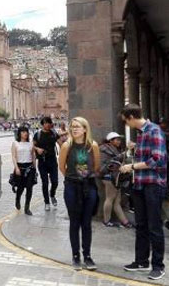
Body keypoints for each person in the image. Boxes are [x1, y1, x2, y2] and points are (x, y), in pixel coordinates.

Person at [119, 104, 167, 280]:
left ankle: (158, 266)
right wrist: (135, 149)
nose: (126, 123)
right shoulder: (141, 134)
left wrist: (131, 166)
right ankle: (141, 261)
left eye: (126, 120)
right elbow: (146, 155)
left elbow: (157, 159)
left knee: (154, 226)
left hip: (153, 185)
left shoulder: (154, 131)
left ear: (131, 116)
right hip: (139, 184)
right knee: (141, 225)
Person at [58, 116, 100, 271]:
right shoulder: (66, 146)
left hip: (89, 186)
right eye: (72, 126)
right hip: (72, 186)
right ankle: (76, 256)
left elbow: (96, 166)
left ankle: (87, 255)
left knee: (87, 223)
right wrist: (73, 179)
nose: (74, 129)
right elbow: (61, 166)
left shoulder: (93, 146)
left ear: (85, 129)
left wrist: (85, 178)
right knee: (74, 222)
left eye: (78, 126)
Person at [99, 132, 133, 228]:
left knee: (117, 201)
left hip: (116, 177)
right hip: (109, 177)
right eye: (117, 139)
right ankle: (106, 221)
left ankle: (125, 222)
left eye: (119, 139)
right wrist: (127, 151)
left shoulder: (112, 149)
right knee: (110, 199)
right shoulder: (106, 149)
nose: (119, 141)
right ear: (111, 141)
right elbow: (111, 163)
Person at [34, 116, 61, 211]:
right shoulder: (37, 134)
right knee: (45, 183)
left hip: (53, 161)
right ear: (42, 124)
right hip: (42, 162)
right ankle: (46, 202)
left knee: (55, 182)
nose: (47, 125)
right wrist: (38, 149)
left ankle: (52, 194)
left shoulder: (53, 133)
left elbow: (60, 143)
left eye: (49, 123)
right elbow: (32, 146)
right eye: (45, 123)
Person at [11, 126, 36, 215]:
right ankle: (17, 199)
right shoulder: (15, 143)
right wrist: (16, 167)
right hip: (20, 167)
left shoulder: (30, 144)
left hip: (29, 168)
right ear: (19, 133)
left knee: (29, 188)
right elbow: (13, 156)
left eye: (26, 132)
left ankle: (27, 207)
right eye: (23, 132)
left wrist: (34, 168)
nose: (25, 133)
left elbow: (33, 156)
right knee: (20, 188)